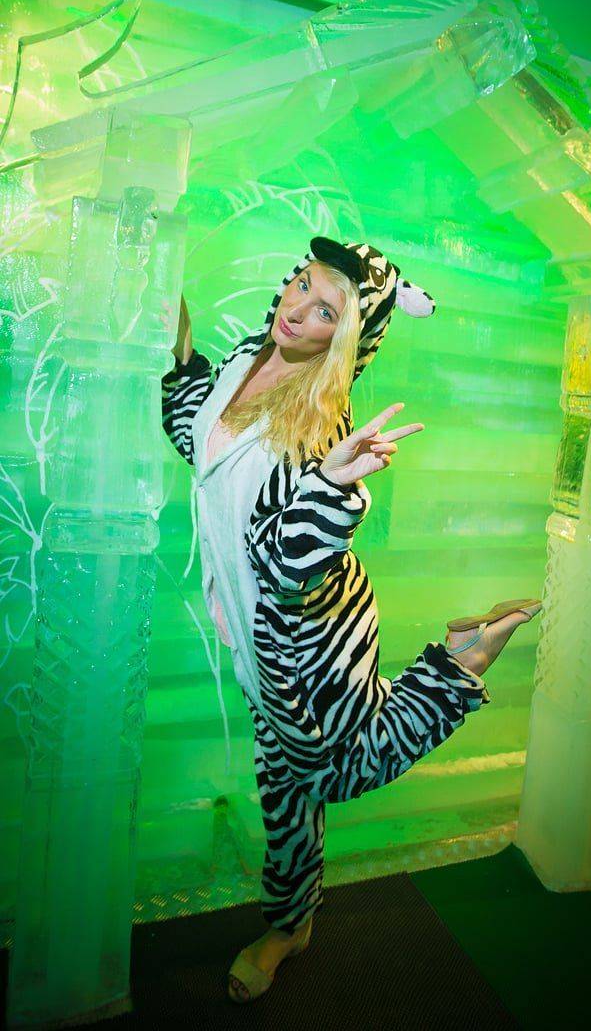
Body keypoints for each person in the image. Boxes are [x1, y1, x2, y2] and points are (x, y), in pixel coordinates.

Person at [160, 236, 542, 1004]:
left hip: (309, 642)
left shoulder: (319, 425)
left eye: (328, 311)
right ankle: (292, 922)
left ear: (347, 339)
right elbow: (196, 437)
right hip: (256, 633)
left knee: (329, 772)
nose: (300, 309)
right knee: (287, 788)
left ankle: (461, 665)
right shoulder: (245, 360)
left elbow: (285, 564)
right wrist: (176, 342)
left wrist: (330, 488)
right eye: (303, 283)